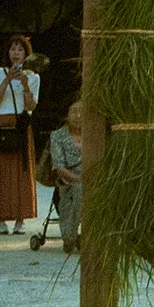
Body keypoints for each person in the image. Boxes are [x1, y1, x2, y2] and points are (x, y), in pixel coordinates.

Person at [0, 35, 41, 235]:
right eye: (13, 49)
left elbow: (32, 106)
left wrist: (25, 84)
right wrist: (8, 79)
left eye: (20, 50)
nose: (16, 53)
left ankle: (20, 219)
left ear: (27, 54)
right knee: (0, 172)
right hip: (1, 121)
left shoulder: (34, 76)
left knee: (22, 172)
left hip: (21, 123)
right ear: (8, 53)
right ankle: (0, 219)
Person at [49, 102, 85, 255]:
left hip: (92, 179)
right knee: (79, 190)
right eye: (74, 111)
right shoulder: (58, 136)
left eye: (82, 112)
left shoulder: (94, 134)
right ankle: (70, 235)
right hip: (69, 180)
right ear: (67, 115)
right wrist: (79, 178)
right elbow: (59, 167)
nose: (78, 116)